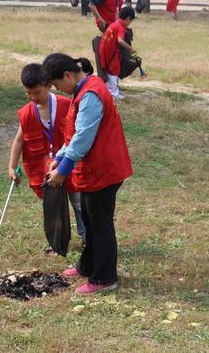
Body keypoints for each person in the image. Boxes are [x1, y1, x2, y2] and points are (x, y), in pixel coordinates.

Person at [43, 54, 133, 295]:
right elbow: (72, 136)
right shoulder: (83, 90)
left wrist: (62, 171)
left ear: (68, 76)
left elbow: (82, 139)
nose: (58, 91)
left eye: (56, 85)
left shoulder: (91, 94)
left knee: (100, 224)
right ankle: (88, 266)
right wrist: (59, 159)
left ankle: (104, 278)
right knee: (91, 221)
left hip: (104, 170)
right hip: (94, 170)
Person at [8, 63, 86, 251]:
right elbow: (19, 141)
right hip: (46, 171)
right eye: (28, 93)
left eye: (37, 92)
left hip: (69, 165)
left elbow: (79, 135)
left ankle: (87, 237)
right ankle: (55, 242)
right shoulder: (26, 113)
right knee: (51, 206)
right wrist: (11, 166)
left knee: (78, 202)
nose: (33, 97)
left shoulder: (66, 105)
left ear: (49, 86)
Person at [98, 6, 137, 99]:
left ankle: (109, 91)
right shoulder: (120, 27)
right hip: (109, 52)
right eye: (130, 21)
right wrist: (130, 48)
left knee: (109, 70)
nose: (130, 23)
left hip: (104, 50)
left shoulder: (114, 24)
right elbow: (120, 40)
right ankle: (113, 94)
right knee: (113, 69)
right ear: (128, 18)